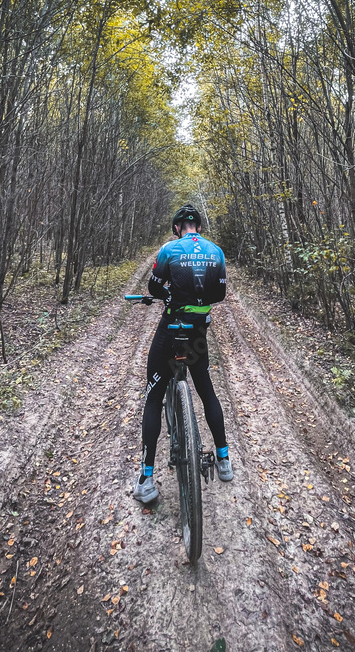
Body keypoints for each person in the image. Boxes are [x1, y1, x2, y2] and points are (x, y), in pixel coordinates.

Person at [133, 204, 233, 504]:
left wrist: (171, 295)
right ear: (198, 228)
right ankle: (225, 461)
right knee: (205, 389)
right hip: (198, 333)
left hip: (172, 328)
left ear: (178, 228)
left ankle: (146, 479)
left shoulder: (169, 249)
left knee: (153, 396)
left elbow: (154, 286)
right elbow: (219, 295)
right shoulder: (216, 251)